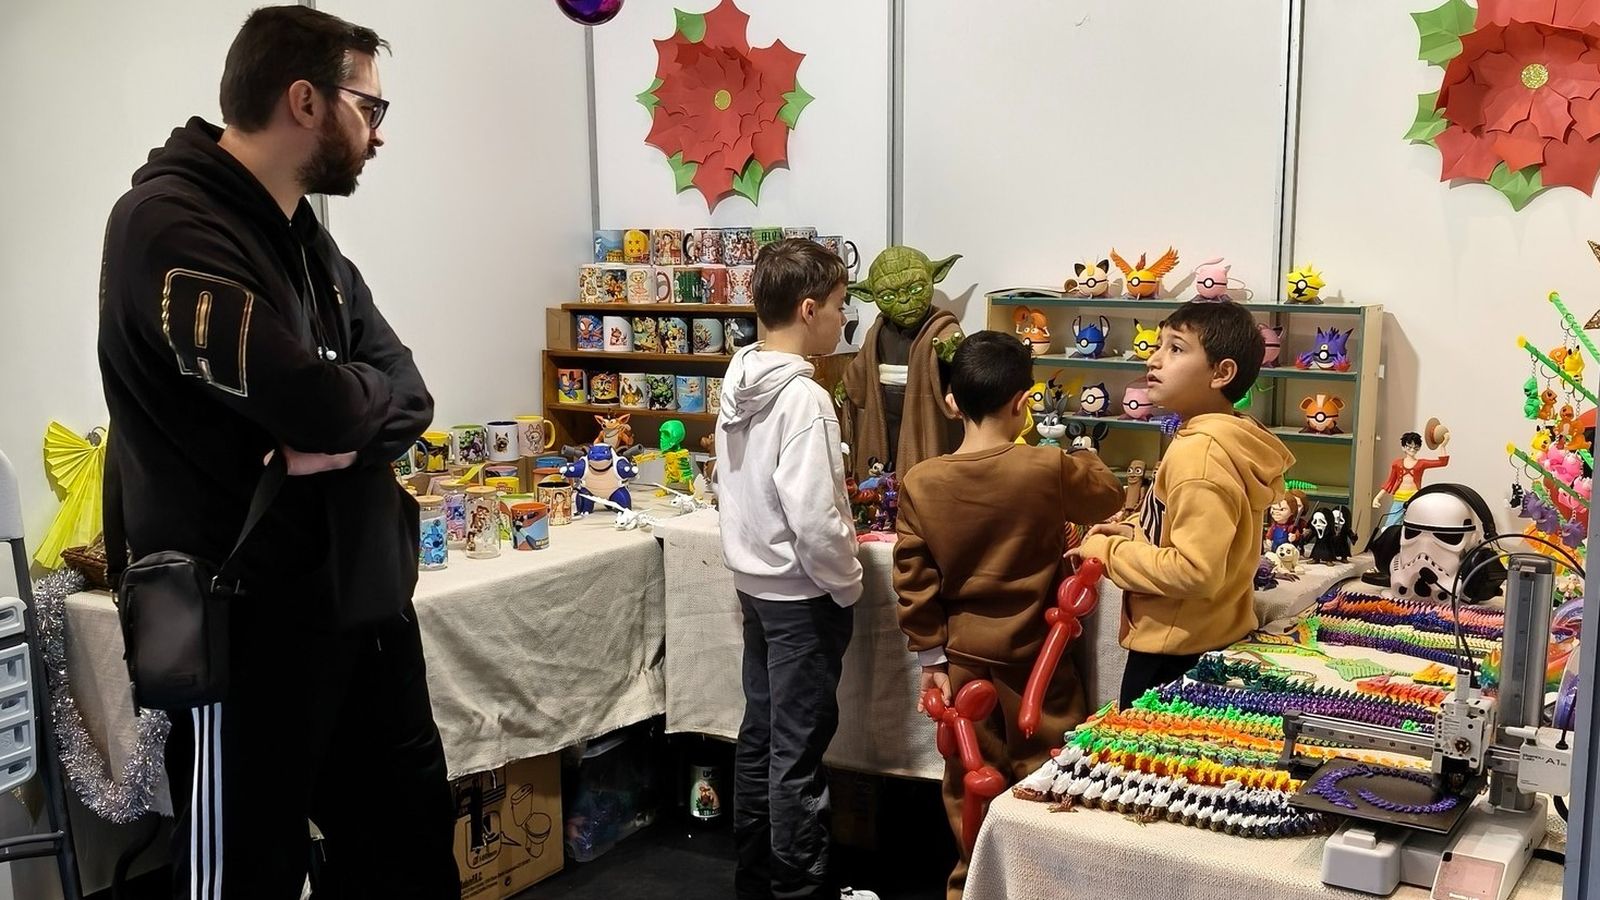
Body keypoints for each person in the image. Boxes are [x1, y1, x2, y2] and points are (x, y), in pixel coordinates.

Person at [97, 7, 455, 897]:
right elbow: (317, 403)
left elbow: (403, 387)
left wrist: (334, 420)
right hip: (245, 623)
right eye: (369, 108)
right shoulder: (167, 227)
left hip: (361, 601)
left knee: (408, 848)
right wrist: (334, 413)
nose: (377, 136)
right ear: (305, 100)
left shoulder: (305, 239)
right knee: (248, 870)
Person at [893, 330, 1123, 900]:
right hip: (1040, 663)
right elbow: (1109, 496)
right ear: (1023, 403)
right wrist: (1083, 451)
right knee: (1052, 778)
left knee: (968, 784)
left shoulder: (921, 481)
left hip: (965, 663)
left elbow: (912, 579)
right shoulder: (1045, 467)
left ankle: (972, 884)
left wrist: (929, 656)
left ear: (952, 403)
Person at [714, 239, 877, 900]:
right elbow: (813, 516)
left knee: (761, 739)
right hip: (800, 595)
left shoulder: (740, 379)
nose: (845, 320)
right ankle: (798, 891)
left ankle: (756, 881)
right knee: (796, 756)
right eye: (840, 307)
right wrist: (847, 581)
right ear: (809, 310)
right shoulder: (805, 398)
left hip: (755, 585)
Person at [1071, 302, 1295, 709]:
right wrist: (1135, 533)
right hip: (1204, 640)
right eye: (1158, 346)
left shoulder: (1200, 455)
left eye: (1176, 349)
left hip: (1173, 654)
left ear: (1221, 373)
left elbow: (1196, 572)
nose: (1154, 359)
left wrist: (1107, 551)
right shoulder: (1219, 440)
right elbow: (1201, 538)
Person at [1371, 429, 1450, 531]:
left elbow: (1442, 462)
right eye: (1409, 446)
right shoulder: (1397, 463)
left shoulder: (1421, 463)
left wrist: (1443, 446)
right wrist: (1377, 497)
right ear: (1403, 447)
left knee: (1413, 527)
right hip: (1399, 499)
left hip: (1414, 499)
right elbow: (1389, 482)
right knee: (1389, 527)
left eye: (1415, 447)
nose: (1412, 449)